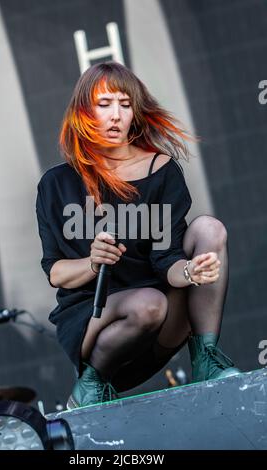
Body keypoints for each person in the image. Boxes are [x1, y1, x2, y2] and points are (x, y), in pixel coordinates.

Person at [36, 61, 240, 410]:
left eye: (125, 104)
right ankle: (90, 384)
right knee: (148, 304)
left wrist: (192, 272)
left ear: (135, 112)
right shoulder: (57, 184)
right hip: (97, 326)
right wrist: (92, 261)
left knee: (209, 228)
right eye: (104, 104)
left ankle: (206, 359)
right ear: (84, 111)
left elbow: (167, 262)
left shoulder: (160, 171)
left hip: (162, 327)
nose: (116, 115)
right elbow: (55, 271)